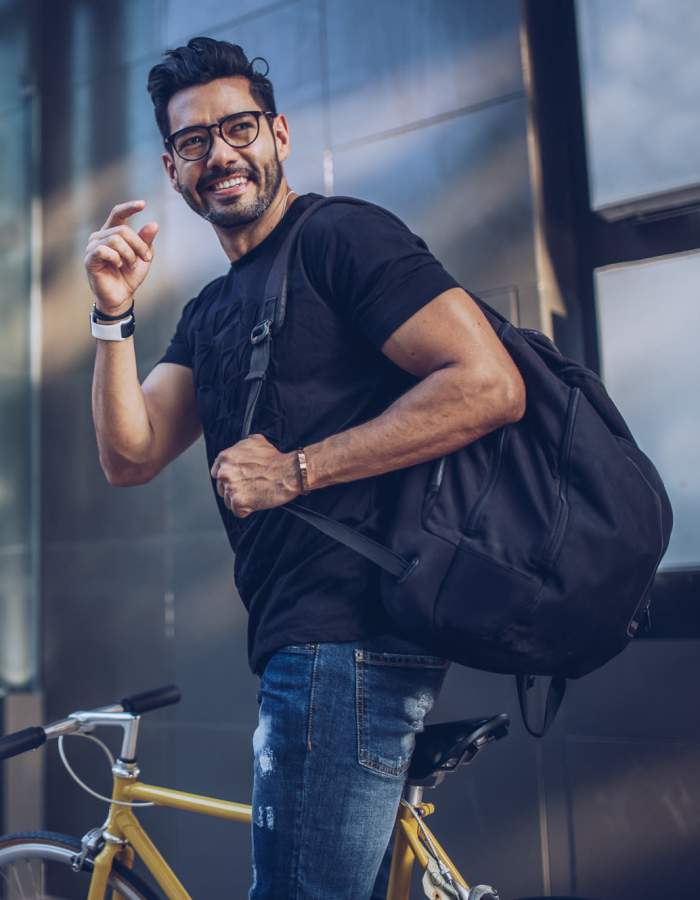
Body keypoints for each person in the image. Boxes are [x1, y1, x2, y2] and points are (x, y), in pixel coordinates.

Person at [84, 36, 525, 900]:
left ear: (279, 134)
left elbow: (487, 384)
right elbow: (130, 455)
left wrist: (295, 471)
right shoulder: (212, 311)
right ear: (173, 172)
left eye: (238, 126)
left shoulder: (342, 239)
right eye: (193, 142)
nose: (220, 153)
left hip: (345, 644)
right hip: (306, 647)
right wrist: (110, 319)